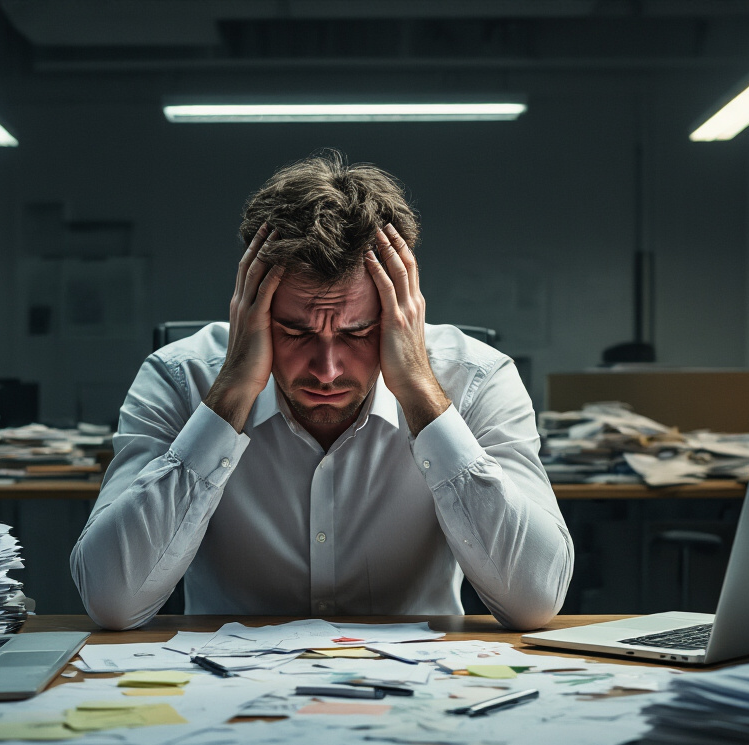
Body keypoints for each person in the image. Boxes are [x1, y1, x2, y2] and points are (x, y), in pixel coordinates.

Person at [71, 150, 573, 630]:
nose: (327, 370)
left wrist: (422, 394)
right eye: (294, 331)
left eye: (358, 332)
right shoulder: (179, 377)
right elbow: (113, 600)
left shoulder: (478, 378)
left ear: (402, 313)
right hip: (227, 680)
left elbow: (534, 601)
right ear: (250, 311)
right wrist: (230, 396)